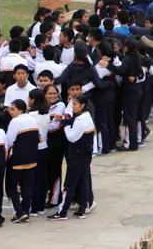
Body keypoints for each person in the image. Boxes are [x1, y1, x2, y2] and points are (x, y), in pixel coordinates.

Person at [48, 93, 96, 221]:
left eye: (75, 105)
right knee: (83, 182)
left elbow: (72, 137)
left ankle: (62, 212)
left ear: (82, 105)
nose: (73, 107)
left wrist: (66, 125)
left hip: (78, 155)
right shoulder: (85, 117)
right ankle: (82, 209)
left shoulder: (81, 120)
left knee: (69, 184)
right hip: (85, 155)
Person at [5, 99, 40, 222]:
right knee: (27, 188)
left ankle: (19, 212)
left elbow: (9, 141)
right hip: (32, 159)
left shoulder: (15, 122)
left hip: (18, 160)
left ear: (20, 110)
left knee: (11, 186)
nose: (10, 111)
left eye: (13, 109)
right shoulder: (33, 120)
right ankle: (26, 211)